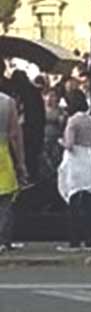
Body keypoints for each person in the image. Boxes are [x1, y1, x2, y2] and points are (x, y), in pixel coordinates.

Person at [56, 89, 91, 253]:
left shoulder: (72, 121)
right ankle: (89, 240)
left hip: (75, 161)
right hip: (88, 159)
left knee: (73, 201)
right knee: (88, 203)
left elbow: (69, 144)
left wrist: (60, 141)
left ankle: (74, 241)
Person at [0, 88, 27, 254]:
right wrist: (21, 163)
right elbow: (14, 135)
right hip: (2, 154)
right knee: (6, 200)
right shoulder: (7, 102)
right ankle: (3, 240)